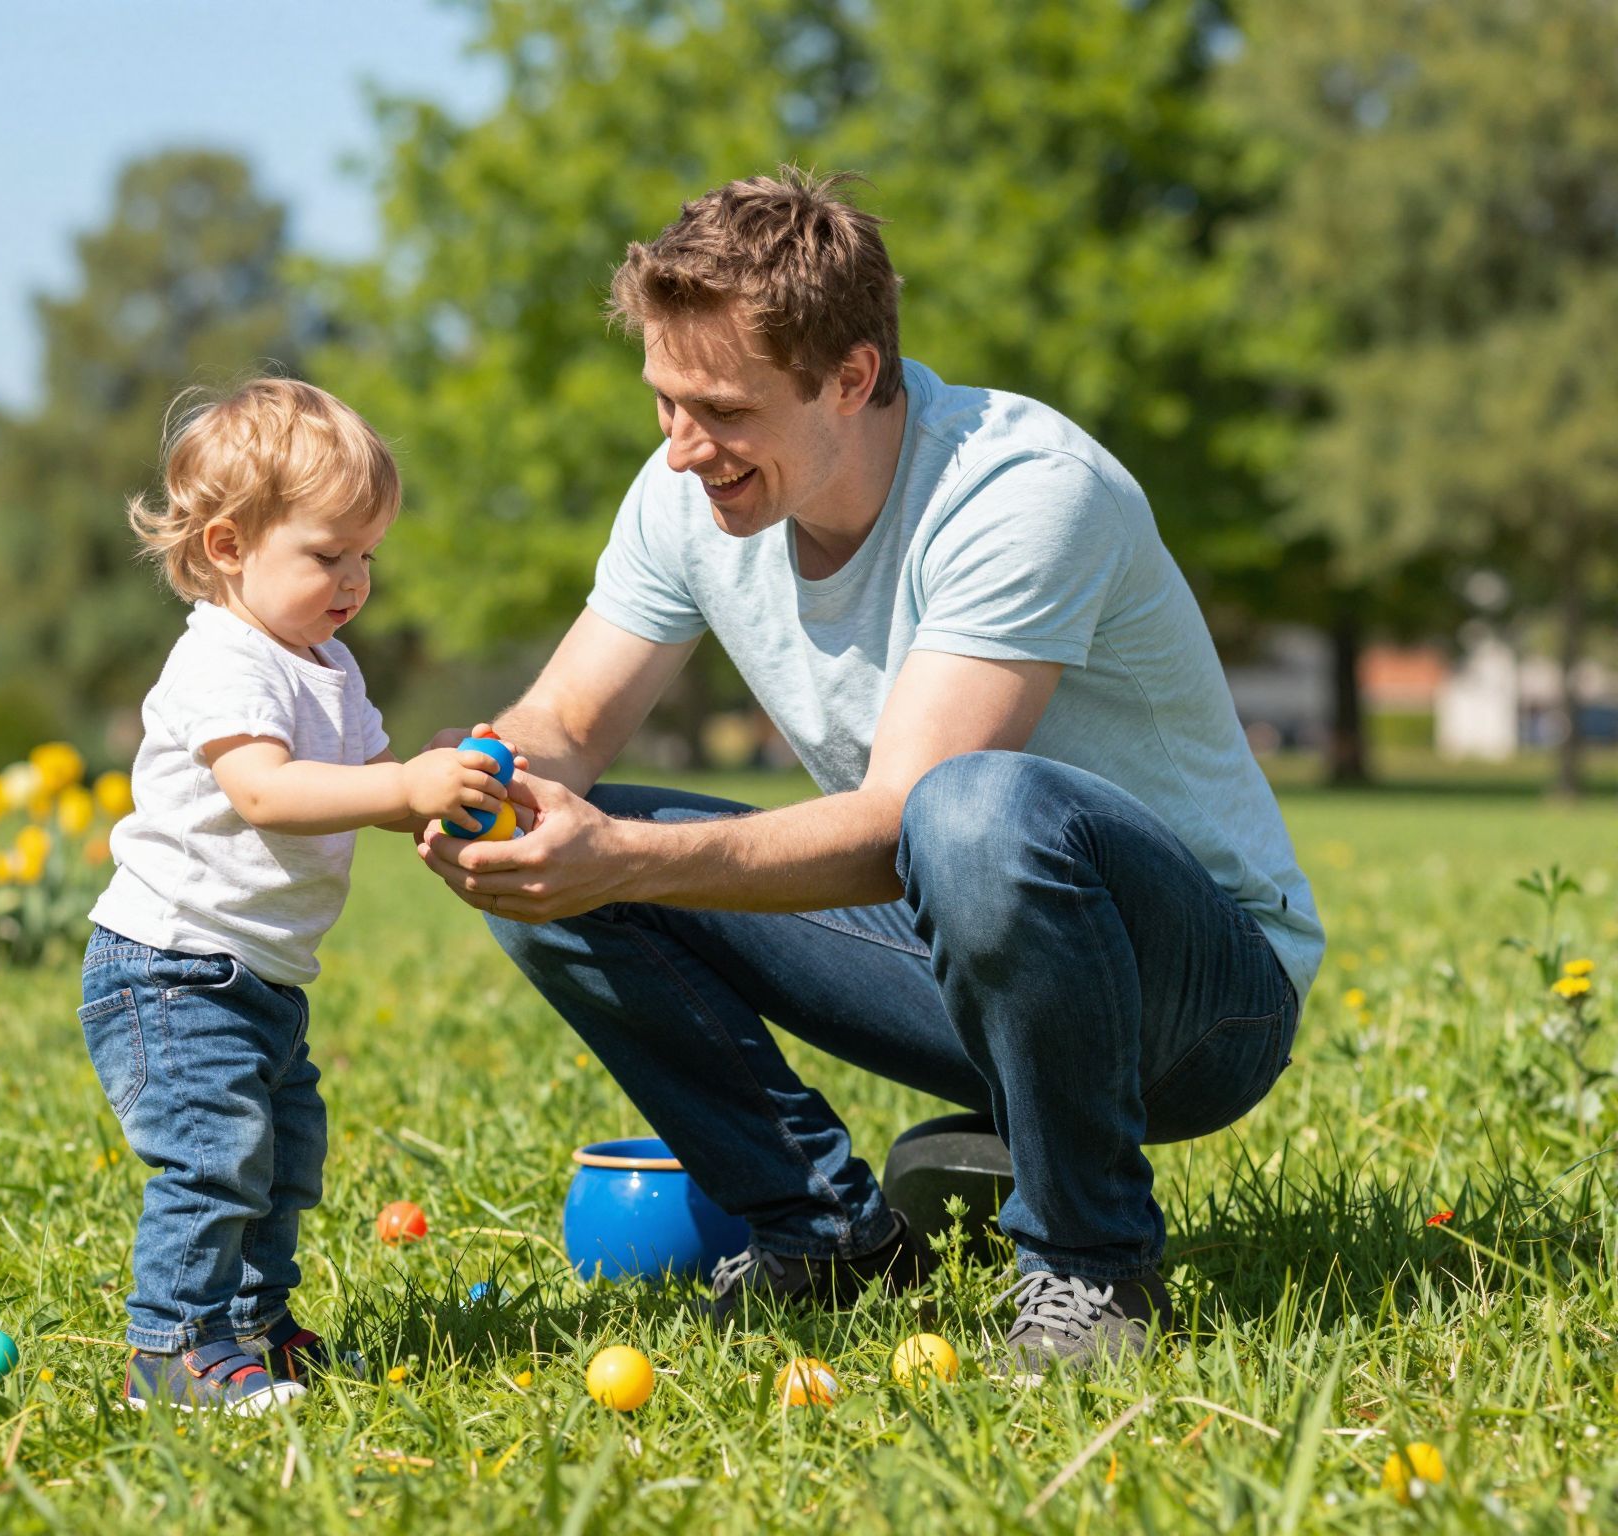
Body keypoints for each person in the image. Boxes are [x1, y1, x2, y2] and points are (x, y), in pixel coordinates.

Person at [419, 170, 1324, 1376]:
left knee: (970, 810)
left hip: (1199, 1003)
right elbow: (567, 721)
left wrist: (620, 858)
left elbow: (902, 820)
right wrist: (484, 780)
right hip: (960, 940)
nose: (682, 448)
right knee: (547, 860)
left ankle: (1089, 1269)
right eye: (663, 401)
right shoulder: (687, 491)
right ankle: (827, 1239)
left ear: (849, 377)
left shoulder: (1021, 490)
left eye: (721, 410)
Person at [82, 379, 515, 1413]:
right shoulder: (222, 660)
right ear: (229, 546)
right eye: (328, 555)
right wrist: (404, 787)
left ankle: (255, 1327)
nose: (354, 581)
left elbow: (364, 782)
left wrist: (434, 777)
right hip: (172, 970)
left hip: (258, 975)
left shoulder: (327, 663)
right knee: (213, 1158)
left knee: (280, 1159)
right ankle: (172, 1351)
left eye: (368, 556)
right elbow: (269, 793)